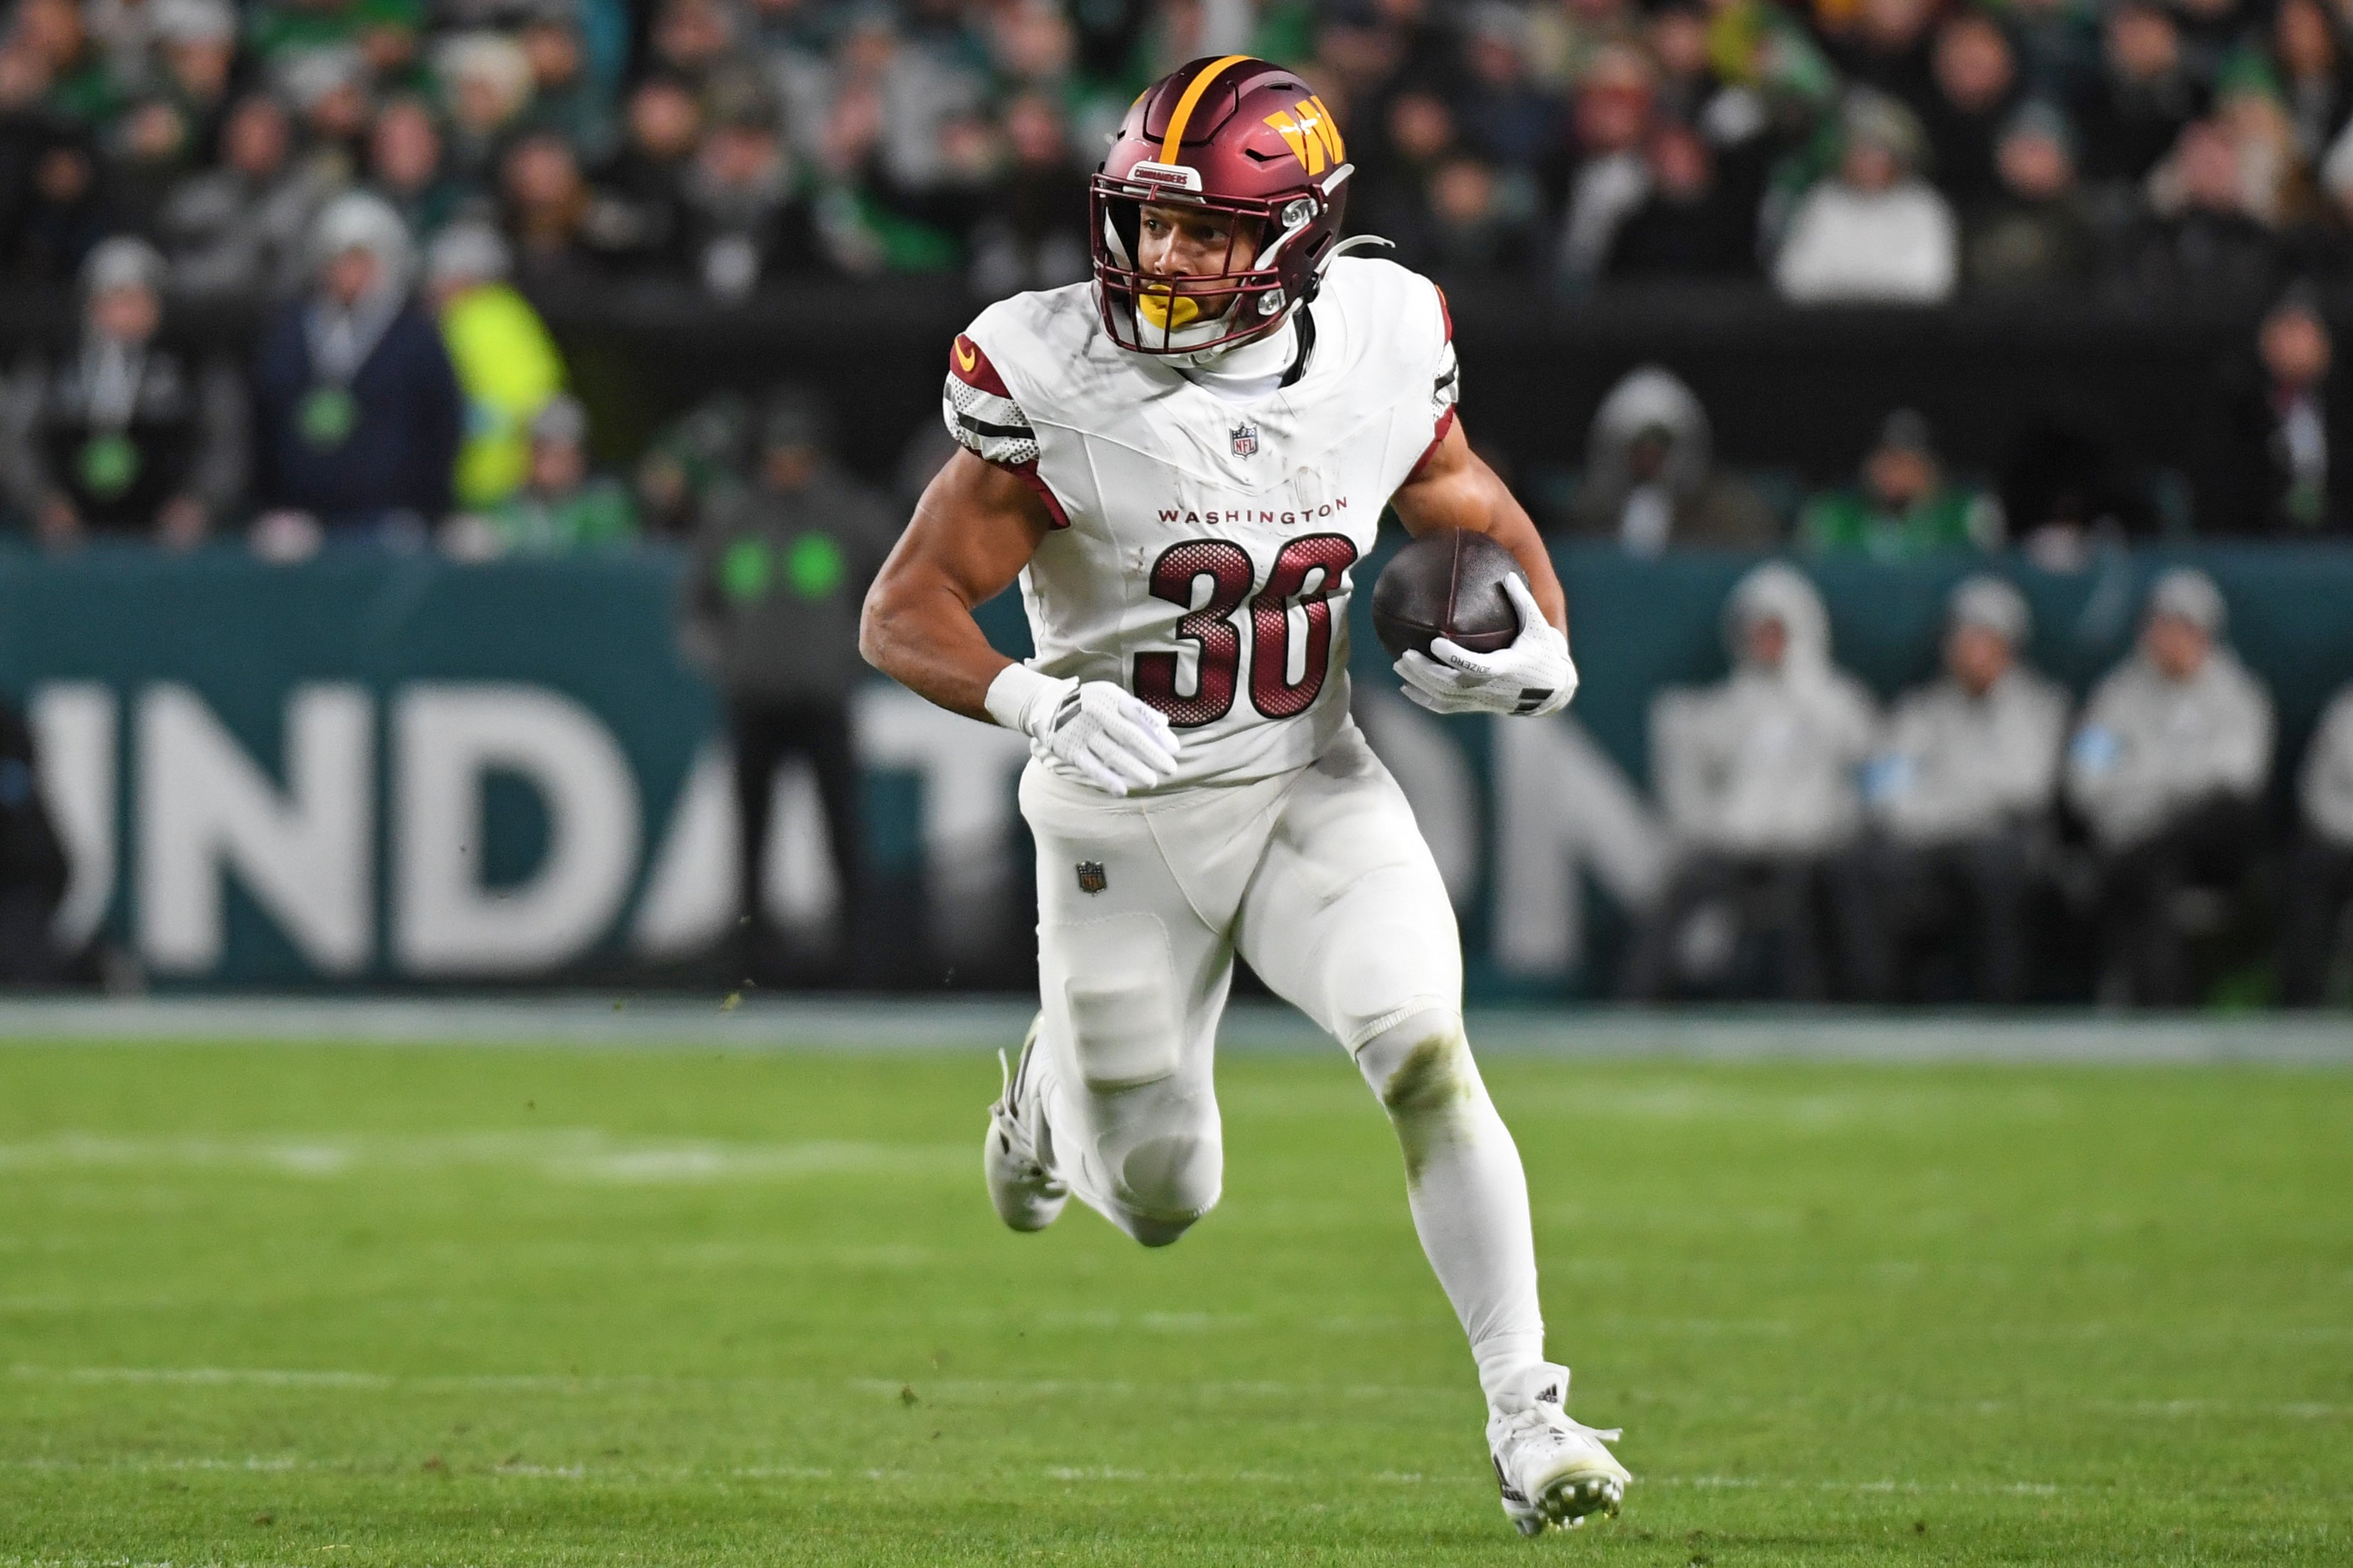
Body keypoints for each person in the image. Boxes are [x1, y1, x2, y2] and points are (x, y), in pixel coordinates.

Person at [858, 58, 1625, 1536]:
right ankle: (1042, 1107)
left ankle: (1529, 1414)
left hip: (1302, 784)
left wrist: (1542, 647)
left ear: (1294, 239)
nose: (1163, 258)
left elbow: (1459, 499)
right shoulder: (1050, 373)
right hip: (1118, 817)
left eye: (1204, 231)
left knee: (1421, 1049)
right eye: (1147, 224)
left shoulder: (1383, 337)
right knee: (1161, 1198)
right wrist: (1036, 697)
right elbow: (902, 611)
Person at [681, 386, 896, 985]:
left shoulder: (848, 514)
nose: (788, 464)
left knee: (843, 834)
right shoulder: (736, 516)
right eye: (779, 452)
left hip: (823, 700)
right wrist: (731, 662)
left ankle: (860, 960)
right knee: (751, 839)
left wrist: (849, 662)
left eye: (798, 452)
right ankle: (751, 959)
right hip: (754, 701)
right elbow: (698, 605)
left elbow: (898, 586)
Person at [1629, 562, 1880, 1001]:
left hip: (1816, 851)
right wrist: (1723, 831)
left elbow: (1872, 775)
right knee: (1682, 886)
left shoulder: (1840, 702)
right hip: (1735, 850)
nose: (1766, 642)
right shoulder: (1723, 707)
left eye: (1776, 630)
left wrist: (1837, 824)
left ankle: (1849, 1005)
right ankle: (1633, 1005)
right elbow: (1693, 790)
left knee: (1827, 897)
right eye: (1757, 631)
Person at [1849, 575, 2070, 1003]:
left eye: (1987, 640)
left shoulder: (2040, 706)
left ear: (2010, 647)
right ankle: (1875, 1006)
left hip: (2001, 843)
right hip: (1924, 842)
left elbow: (2026, 789)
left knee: (1993, 865)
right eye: (1965, 639)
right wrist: (1948, 808)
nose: (1974, 653)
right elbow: (1884, 789)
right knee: (1860, 867)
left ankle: (2002, 1007)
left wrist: (1943, 797)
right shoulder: (1919, 710)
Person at [2065, 569, 2274, 1007]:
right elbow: (2085, 781)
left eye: (2186, 628)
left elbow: (2237, 779)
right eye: (2164, 625)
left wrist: (2145, 785)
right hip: (2132, 839)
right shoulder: (2115, 694)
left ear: (2208, 635)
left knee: (2211, 818)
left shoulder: (2239, 695)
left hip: (2213, 846)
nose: (2173, 638)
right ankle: (2164, 1014)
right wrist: (2167, 791)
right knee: (2157, 872)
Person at [0, 236, 246, 549]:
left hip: (169, 539)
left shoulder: (193, 360)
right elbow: (17, 438)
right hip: (68, 539)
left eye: (137, 300)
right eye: (114, 299)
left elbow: (225, 440)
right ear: (91, 305)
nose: (125, 312)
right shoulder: (52, 359)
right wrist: (41, 503)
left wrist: (200, 503)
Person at [250, 191, 462, 541]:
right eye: (338, 260)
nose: (349, 273)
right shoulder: (291, 330)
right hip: (300, 520)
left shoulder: (415, 337)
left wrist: (426, 506)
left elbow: (441, 423)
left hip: (390, 518)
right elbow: (267, 416)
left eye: (361, 260)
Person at [424, 221, 565, 510]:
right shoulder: (512, 313)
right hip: (498, 477)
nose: (434, 286)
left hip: (487, 478)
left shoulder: (469, 320)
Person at [1563, 364, 1778, 552]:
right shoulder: (1589, 514)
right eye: (1640, 453)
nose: (1648, 464)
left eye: (1657, 453)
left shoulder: (1726, 514)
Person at [1773, 90, 1957, 305]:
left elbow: (1932, 282)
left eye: (1877, 150)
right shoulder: (1823, 201)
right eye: (1859, 149)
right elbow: (1795, 278)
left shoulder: (1924, 207)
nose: (1866, 161)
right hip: (1829, 327)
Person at [2196, 288, 2353, 536]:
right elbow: (2226, 489)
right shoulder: (2242, 410)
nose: (2298, 347)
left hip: (2335, 547)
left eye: (2307, 334)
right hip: (2261, 544)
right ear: (2267, 342)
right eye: (2288, 333)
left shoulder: (2341, 411)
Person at [1801, 408, 2003, 559]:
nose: (1893, 472)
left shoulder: (1967, 515)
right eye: (1886, 458)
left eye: (1907, 462)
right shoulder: (1835, 516)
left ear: (1931, 467)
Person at [459, 394, 636, 556]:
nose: (550, 464)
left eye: (561, 453)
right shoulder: (501, 511)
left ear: (579, 457)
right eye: (542, 451)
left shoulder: (604, 508)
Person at [2282, 680, 2353, 1005]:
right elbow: (2317, 788)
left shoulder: (2231, 694)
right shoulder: (2345, 711)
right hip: (2338, 836)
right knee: (2312, 867)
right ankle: (2300, 1013)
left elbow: (2233, 771)